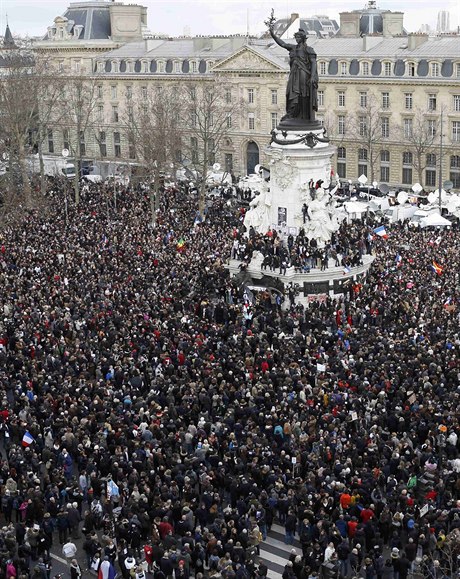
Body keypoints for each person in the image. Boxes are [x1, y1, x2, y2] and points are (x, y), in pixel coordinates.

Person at [267, 17, 318, 123]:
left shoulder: (309, 50)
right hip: (294, 74)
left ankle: (304, 115)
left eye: (298, 37)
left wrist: (313, 76)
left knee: (303, 93)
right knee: (291, 92)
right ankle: (292, 113)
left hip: (303, 73)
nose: (296, 39)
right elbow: (282, 44)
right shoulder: (293, 48)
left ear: (303, 38)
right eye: (296, 37)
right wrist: (272, 34)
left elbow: (313, 63)